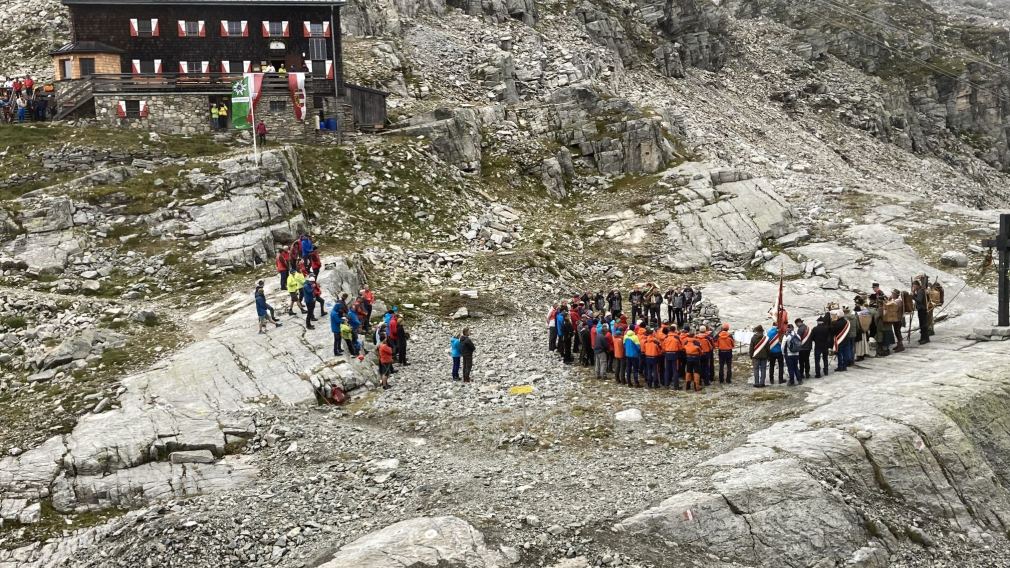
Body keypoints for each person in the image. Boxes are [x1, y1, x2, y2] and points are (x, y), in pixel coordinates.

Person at [662, 324, 681, 389]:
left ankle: (666, 384)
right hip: (675, 354)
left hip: (667, 354)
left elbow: (663, 347)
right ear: (675, 330)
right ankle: (676, 385)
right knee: (675, 369)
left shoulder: (666, 337)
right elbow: (680, 347)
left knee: (667, 369)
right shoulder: (677, 337)